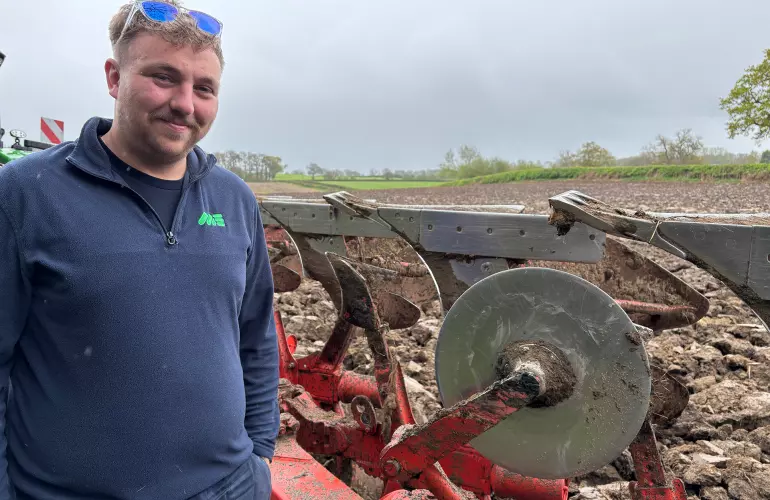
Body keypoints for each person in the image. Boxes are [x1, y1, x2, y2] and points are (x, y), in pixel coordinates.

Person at [0, 1, 279, 498]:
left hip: (230, 487)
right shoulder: (26, 193)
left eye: (204, 88)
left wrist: (259, 455)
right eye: (164, 77)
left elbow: (254, 338)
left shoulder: (233, 199)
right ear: (114, 77)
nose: (185, 103)